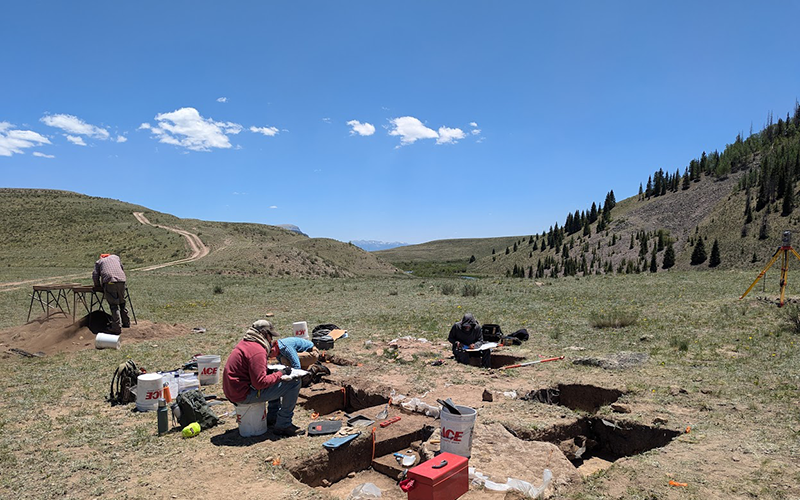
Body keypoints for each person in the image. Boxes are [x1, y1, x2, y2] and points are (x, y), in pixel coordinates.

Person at [222, 320, 304, 437]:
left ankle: (273, 417)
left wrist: (274, 374)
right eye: (270, 336)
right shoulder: (257, 350)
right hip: (243, 395)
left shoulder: (246, 344)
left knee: (274, 379)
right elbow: (260, 383)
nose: (271, 340)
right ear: (265, 334)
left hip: (234, 391)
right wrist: (281, 373)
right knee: (294, 383)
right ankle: (284, 424)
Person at [92, 253, 130, 334]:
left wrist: (97, 286)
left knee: (114, 305)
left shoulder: (99, 261)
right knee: (122, 302)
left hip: (110, 282)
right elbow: (121, 268)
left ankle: (116, 328)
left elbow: (95, 275)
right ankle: (126, 323)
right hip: (121, 280)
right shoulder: (116, 257)